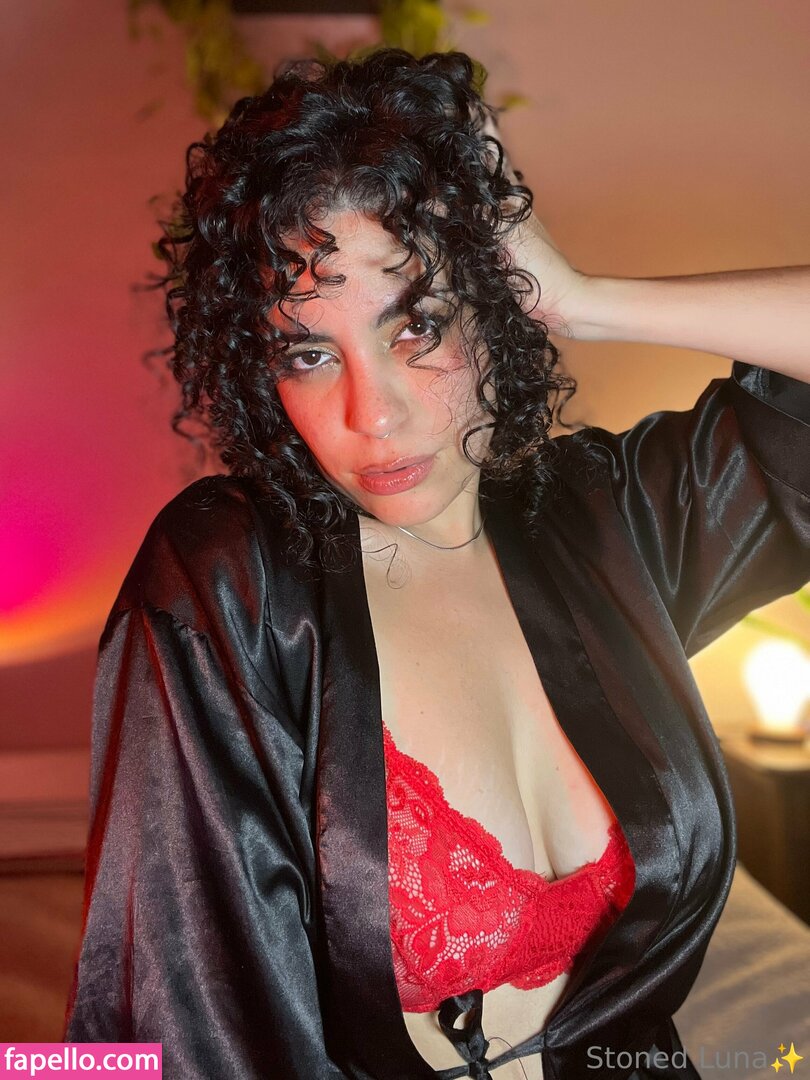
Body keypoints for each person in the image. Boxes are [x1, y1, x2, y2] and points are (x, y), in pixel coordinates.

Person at [63, 47, 810, 1080]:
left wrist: (584, 297)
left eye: (417, 324)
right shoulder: (232, 582)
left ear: (496, 310)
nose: (373, 415)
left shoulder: (611, 520)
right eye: (308, 353)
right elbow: (192, 1023)